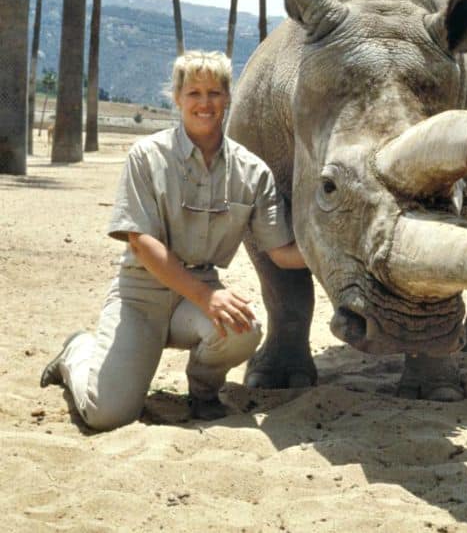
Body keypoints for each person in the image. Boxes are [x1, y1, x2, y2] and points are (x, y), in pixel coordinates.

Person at [40, 50, 305, 430]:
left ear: (228, 97)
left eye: (214, 92)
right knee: (106, 415)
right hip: (140, 295)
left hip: (197, 295)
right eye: (194, 92)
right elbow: (142, 243)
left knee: (242, 330)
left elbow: (280, 252)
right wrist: (207, 297)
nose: (204, 103)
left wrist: (332, 252)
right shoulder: (147, 156)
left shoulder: (253, 172)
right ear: (177, 98)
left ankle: (204, 394)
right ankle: (77, 352)